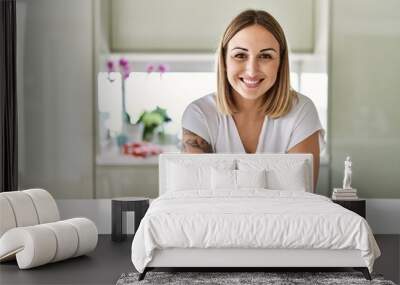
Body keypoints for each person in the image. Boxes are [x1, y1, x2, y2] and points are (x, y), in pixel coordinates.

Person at [181, 9, 325, 189]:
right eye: (240, 55)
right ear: (224, 61)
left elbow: (300, 194)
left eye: (265, 56)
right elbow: (198, 194)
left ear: (280, 63)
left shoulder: (301, 110)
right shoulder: (199, 114)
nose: (251, 70)